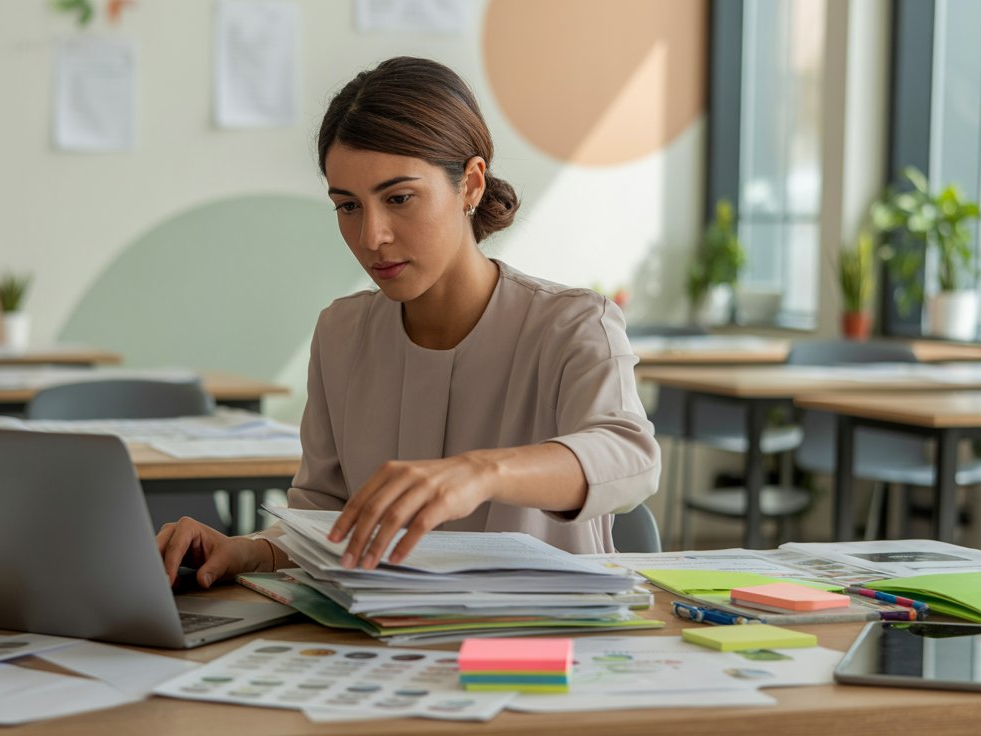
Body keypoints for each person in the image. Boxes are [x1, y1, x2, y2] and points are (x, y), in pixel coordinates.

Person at [158, 57, 660, 588]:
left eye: (399, 199)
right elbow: (324, 519)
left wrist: (481, 472)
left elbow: (630, 456)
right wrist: (246, 551)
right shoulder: (341, 333)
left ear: (470, 185)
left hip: (540, 645)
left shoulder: (573, 324)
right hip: (386, 643)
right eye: (348, 206)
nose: (371, 236)